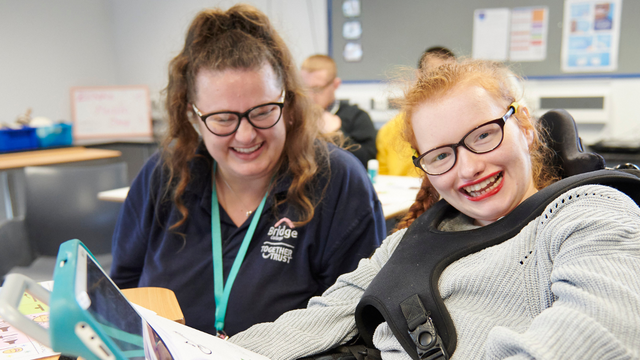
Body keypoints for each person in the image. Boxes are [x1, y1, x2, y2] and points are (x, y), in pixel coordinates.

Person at [229, 57, 640, 359]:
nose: (468, 169)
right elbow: (321, 317)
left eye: (483, 136)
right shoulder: (412, 242)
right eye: (441, 156)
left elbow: (596, 340)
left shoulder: (591, 217)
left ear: (525, 126)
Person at [109, 5, 386, 338]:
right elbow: (122, 293)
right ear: (194, 117)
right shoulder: (164, 174)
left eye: (263, 111)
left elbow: (358, 324)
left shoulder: (337, 182)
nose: (246, 135)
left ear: (288, 103)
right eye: (224, 118)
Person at [376, 46, 455, 177]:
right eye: (436, 76)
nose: (443, 84)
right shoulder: (391, 131)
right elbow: (384, 182)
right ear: (419, 76)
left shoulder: (464, 126)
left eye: (450, 77)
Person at [300, 54, 377, 168]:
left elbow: (367, 161)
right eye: (304, 89)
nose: (310, 96)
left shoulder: (356, 117)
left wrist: (336, 134)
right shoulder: (295, 118)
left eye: (317, 89)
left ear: (335, 84)